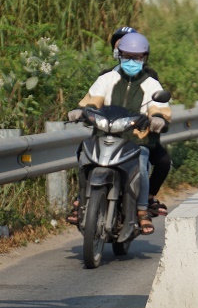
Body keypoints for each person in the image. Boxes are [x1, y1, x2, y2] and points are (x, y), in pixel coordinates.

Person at [67, 32, 171, 234]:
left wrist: (158, 118)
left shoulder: (151, 84)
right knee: (84, 156)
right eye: (127, 56)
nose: (131, 61)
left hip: (136, 140)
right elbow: (92, 100)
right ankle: (81, 200)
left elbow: (160, 107)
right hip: (104, 135)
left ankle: (141, 211)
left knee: (141, 165)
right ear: (119, 55)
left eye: (137, 57)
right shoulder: (107, 79)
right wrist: (81, 111)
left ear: (144, 58)